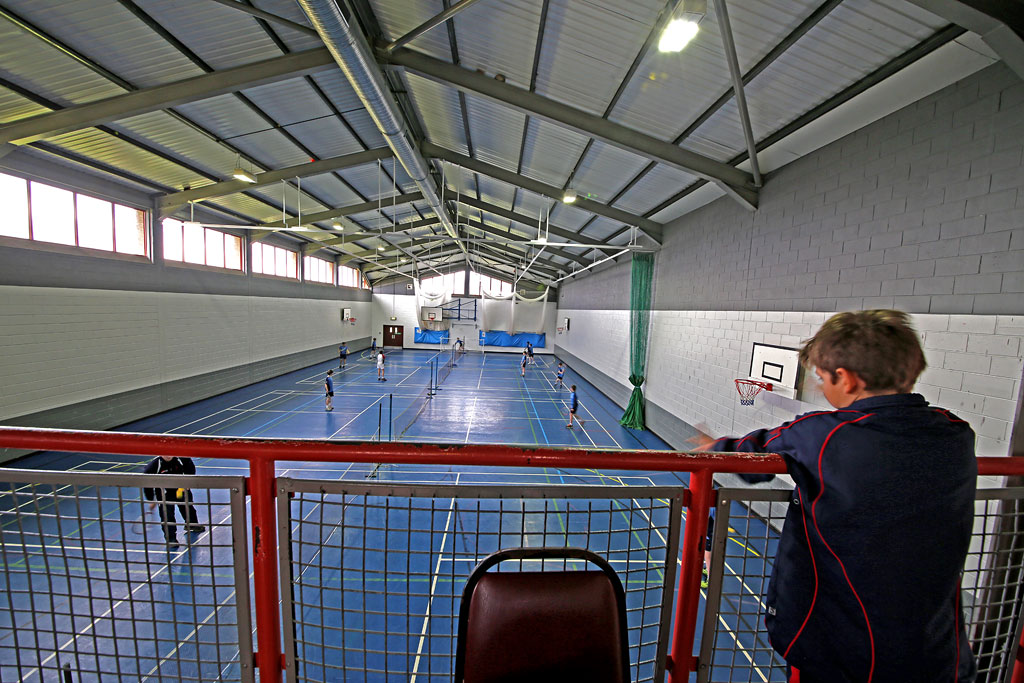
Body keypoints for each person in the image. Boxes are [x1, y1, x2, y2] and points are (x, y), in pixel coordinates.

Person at [699, 310, 977, 682]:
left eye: (821, 377)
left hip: (841, 649)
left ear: (845, 380)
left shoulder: (821, 433)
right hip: (934, 650)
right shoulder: (956, 434)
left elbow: (748, 455)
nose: (818, 385)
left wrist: (712, 447)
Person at [143, 455, 204, 546]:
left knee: (187, 506)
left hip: (180, 489)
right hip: (164, 493)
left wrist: (189, 482)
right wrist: (151, 499)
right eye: (165, 454)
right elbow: (147, 483)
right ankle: (171, 539)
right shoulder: (154, 465)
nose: (168, 456)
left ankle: (192, 524)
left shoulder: (182, 458)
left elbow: (190, 467)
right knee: (167, 515)